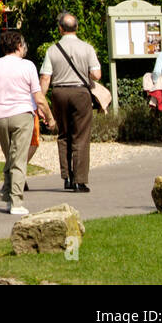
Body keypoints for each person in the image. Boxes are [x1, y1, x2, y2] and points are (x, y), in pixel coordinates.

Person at [0, 30, 57, 216]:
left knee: (11, 157)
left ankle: (6, 196)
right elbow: (38, 97)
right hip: (21, 114)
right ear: (19, 46)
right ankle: (16, 201)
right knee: (19, 159)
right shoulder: (27, 66)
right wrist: (50, 117)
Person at [39, 12, 102, 192]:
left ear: (60, 29)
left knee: (64, 134)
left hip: (59, 92)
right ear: (77, 28)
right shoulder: (87, 48)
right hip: (80, 92)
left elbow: (45, 78)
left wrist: (40, 100)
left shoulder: (52, 50)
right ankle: (79, 180)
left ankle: (66, 176)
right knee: (81, 135)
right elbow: (96, 74)